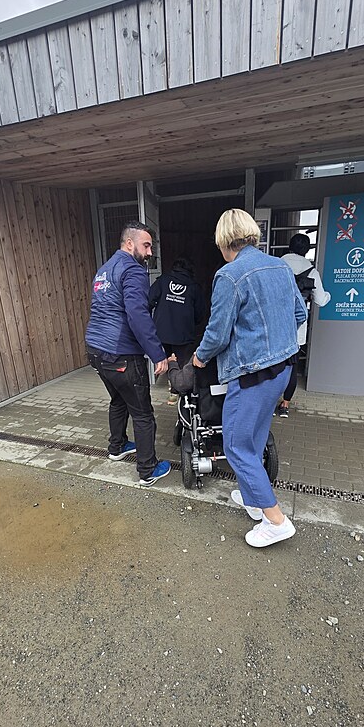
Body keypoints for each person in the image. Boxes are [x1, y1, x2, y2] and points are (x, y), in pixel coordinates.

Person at [192, 208, 307, 549]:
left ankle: (276, 521)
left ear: (224, 241)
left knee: (236, 445)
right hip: (282, 369)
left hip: (252, 374)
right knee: (254, 438)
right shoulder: (280, 267)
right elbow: (299, 313)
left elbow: (217, 333)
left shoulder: (229, 275)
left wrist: (200, 356)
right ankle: (253, 497)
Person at [85, 221, 171, 487]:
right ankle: (147, 469)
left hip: (96, 351)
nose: (149, 253)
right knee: (143, 413)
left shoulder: (104, 270)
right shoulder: (133, 270)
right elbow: (137, 315)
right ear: (129, 243)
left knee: (119, 400)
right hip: (120, 354)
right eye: (146, 246)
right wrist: (157, 354)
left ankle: (117, 446)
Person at [276, 233, 331, 418]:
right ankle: (285, 405)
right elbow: (321, 300)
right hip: (297, 329)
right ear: (307, 250)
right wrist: (328, 295)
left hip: (275, 324)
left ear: (289, 246)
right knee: (292, 366)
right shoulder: (312, 272)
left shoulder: (277, 265)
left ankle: (268, 402)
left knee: (272, 364)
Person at [149, 256, 205, 404]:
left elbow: (149, 300)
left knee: (166, 358)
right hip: (183, 333)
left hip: (162, 331)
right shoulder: (194, 286)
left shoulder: (163, 280)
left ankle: (171, 385)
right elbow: (200, 312)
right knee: (180, 362)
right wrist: (193, 323)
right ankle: (175, 392)